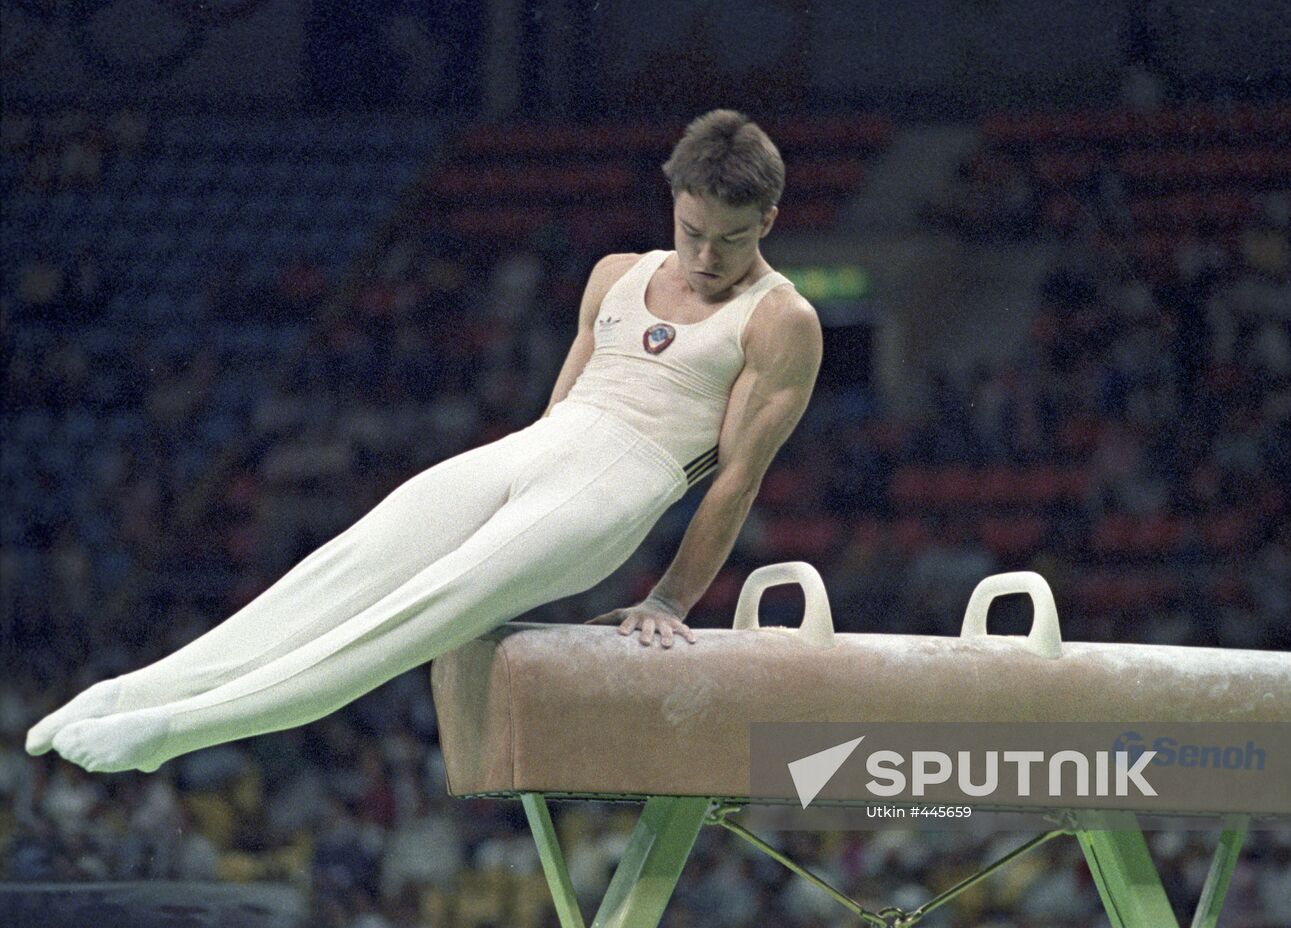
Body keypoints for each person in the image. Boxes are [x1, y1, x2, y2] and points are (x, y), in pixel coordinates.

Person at [27, 109, 823, 774]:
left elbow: (738, 478)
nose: (707, 257)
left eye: (731, 239)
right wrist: (527, 467)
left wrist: (670, 598)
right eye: (692, 231)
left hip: (615, 492)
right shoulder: (615, 271)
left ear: (770, 222)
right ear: (674, 198)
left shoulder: (780, 318)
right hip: (541, 451)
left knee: (415, 615)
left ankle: (175, 734)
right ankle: (138, 691)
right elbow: (562, 411)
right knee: (344, 568)